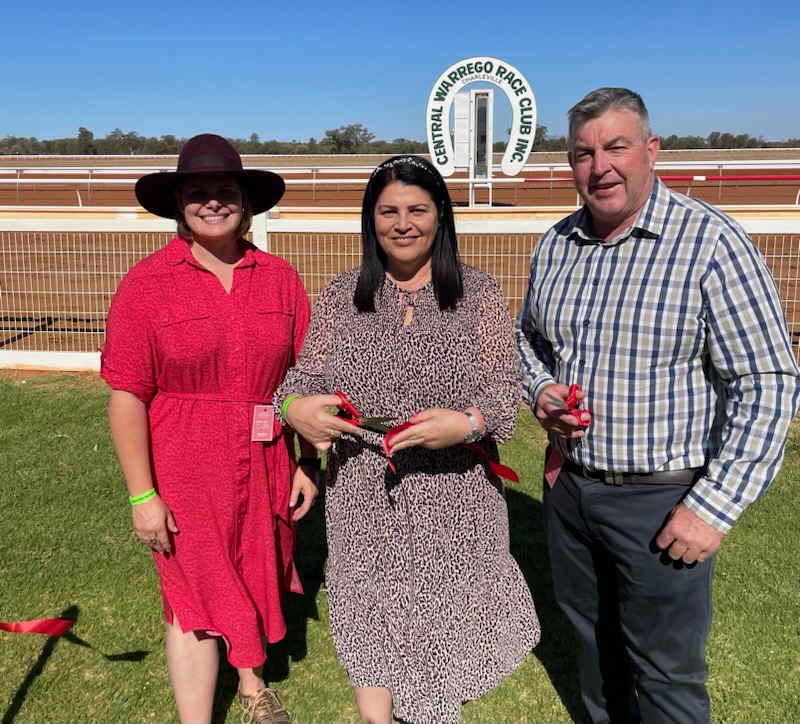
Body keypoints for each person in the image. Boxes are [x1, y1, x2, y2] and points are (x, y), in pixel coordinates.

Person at [515, 87, 800, 724]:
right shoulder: (558, 244)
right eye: (584, 153)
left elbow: (770, 382)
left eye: (616, 147)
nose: (601, 166)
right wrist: (540, 390)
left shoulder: (711, 244)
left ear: (651, 150)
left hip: (663, 499)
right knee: (596, 653)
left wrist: (712, 509)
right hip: (571, 490)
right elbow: (527, 340)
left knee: (667, 674)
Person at [274, 155, 540, 723]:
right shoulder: (344, 294)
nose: (402, 223)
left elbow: (502, 389)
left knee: (439, 635)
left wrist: (464, 424)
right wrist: (295, 407)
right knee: (369, 619)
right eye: (387, 210)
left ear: (440, 216)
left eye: (417, 209)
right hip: (362, 495)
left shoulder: (478, 295)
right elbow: (302, 380)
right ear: (370, 220)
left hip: (456, 497)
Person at [101, 133, 318, 724]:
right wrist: (143, 495)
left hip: (265, 455)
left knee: (253, 566)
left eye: (226, 191)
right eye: (198, 192)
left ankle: (250, 686)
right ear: (179, 204)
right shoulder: (147, 284)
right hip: (184, 463)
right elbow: (127, 395)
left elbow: (301, 379)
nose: (213, 202)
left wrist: (305, 460)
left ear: (245, 202)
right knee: (192, 590)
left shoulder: (278, 278)